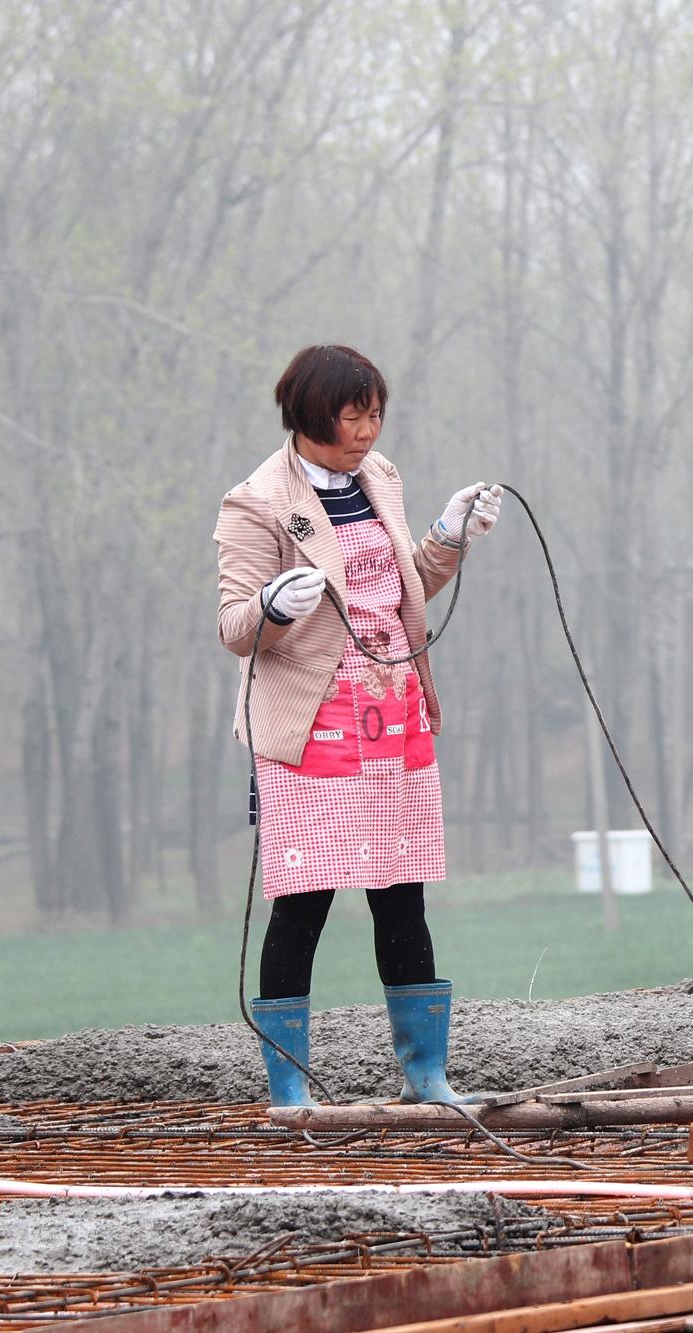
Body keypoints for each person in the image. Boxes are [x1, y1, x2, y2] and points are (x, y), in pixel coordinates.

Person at [215, 344, 503, 1105]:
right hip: (312, 725)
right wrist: (275, 606)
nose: (368, 430)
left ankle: (428, 1075)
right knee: (304, 897)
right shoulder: (255, 501)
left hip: (392, 710)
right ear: (312, 414)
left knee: (400, 893)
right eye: (353, 415)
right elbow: (236, 626)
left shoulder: (380, 479)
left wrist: (448, 536)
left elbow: (405, 589)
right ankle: (288, 1089)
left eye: (376, 413)